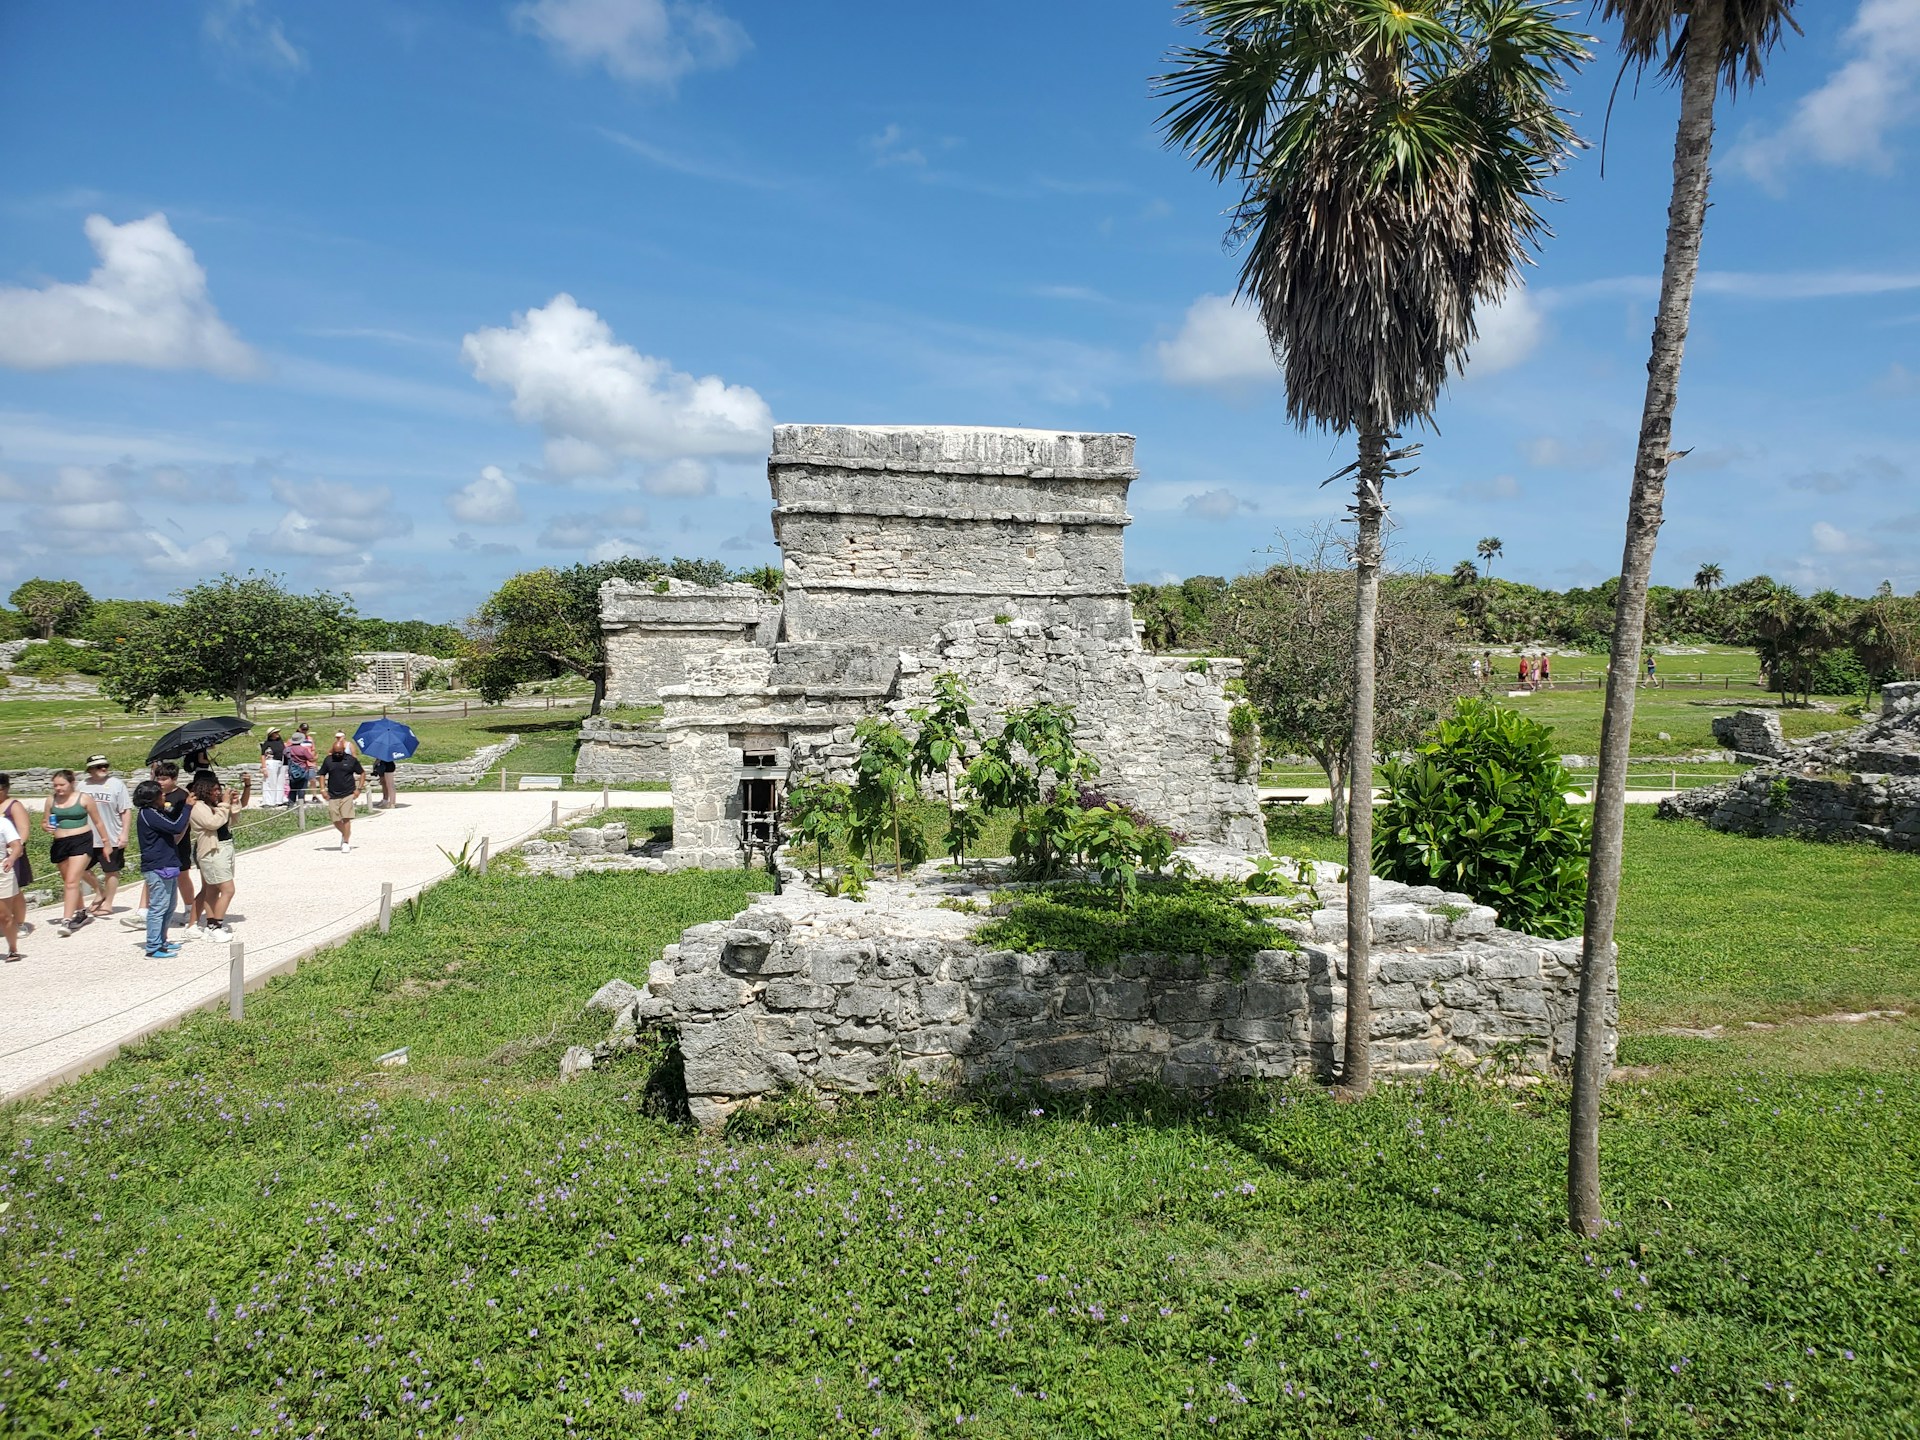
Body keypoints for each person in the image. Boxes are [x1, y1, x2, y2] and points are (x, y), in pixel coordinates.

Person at [43, 769, 109, 936]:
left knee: (72, 881)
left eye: (62, 785)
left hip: (81, 840)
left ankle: (66, 920)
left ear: (71, 783)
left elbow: (98, 822)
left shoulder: (84, 798)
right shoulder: (51, 800)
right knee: (68, 881)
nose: (58, 788)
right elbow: (45, 821)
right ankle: (81, 911)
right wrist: (46, 826)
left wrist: (106, 843)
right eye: (55, 785)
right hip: (60, 842)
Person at [131, 779, 191, 959]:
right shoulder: (148, 813)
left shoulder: (157, 812)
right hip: (157, 866)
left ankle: (162, 940)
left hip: (168, 863)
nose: (164, 795)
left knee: (170, 906)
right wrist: (187, 808)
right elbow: (176, 827)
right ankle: (153, 946)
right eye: (160, 793)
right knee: (158, 907)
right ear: (152, 797)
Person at [188, 771, 241, 940]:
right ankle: (216, 924)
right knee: (228, 890)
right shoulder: (197, 807)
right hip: (212, 851)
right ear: (205, 790)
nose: (218, 792)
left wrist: (233, 803)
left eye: (219, 789)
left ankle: (210, 925)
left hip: (225, 848)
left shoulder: (215, 806)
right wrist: (224, 805)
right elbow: (212, 824)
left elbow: (231, 821)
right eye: (215, 789)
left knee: (212, 889)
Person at [77, 754, 132, 918]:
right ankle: (99, 891)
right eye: (99, 766)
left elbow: (125, 810)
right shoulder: (81, 786)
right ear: (90, 769)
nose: (103, 769)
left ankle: (108, 903)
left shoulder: (116, 785)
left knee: (111, 870)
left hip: (111, 834)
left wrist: (125, 833)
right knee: (80, 869)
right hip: (86, 836)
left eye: (105, 766)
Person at [318, 732, 366, 852]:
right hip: (333, 793)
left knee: (346, 817)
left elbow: (362, 773)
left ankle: (346, 841)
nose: (338, 754)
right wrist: (322, 789)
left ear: (344, 750)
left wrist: (359, 789)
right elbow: (322, 774)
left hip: (348, 792)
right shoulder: (328, 760)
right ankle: (345, 833)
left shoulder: (351, 760)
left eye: (340, 752)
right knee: (335, 818)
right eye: (336, 752)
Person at [0, 774, 33, 944]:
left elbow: (24, 829)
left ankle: (19, 923)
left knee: (16, 890)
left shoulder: (14, 806)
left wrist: (15, 849)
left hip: (12, 853)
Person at [0, 797, 23, 962]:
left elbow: (16, 846)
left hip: (2, 870)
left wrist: (12, 858)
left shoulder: (3, 823)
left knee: (4, 915)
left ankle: (13, 948)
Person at [286, 726, 317, 808]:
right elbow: (311, 758)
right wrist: (315, 757)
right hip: (303, 769)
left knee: (292, 788)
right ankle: (300, 804)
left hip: (292, 770)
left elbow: (285, 755)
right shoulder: (303, 749)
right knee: (302, 788)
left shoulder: (288, 749)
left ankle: (290, 804)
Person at [260, 727, 289, 807]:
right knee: (270, 782)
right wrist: (264, 767)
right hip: (271, 762)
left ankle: (278, 800)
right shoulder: (267, 744)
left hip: (281, 762)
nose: (277, 734)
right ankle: (268, 801)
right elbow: (263, 755)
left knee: (280, 782)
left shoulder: (280, 742)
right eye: (275, 733)